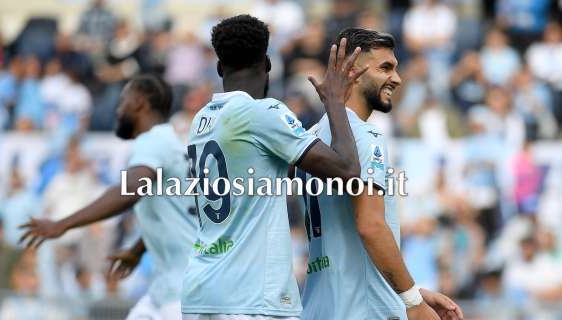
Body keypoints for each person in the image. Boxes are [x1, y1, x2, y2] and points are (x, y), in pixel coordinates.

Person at [182, 14, 366, 320]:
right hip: (251, 297)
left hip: (202, 289)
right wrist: (334, 101)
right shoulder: (263, 113)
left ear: (218, 68)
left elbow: (278, 172)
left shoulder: (202, 120)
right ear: (267, 64)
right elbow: (347, 170)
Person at [298, 28, 464, 320]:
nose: (397, 79)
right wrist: (412, 302)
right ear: (352, 70)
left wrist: (413, 292)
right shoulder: (365, 136)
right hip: (361, 310)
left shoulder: (309, 140)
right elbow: (371, 227)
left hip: (320, 307)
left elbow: (344, 242)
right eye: (385, 68)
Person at [19, 74, 196, 320]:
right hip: (169, 291)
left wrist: (62, 224)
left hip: (181, 297)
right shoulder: (172, 145)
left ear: (138, 103)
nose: (118, 109)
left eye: (122, 101)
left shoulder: (153, 141)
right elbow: (175, 214)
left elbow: (129, 191)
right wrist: (137, 249)